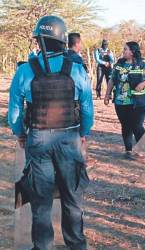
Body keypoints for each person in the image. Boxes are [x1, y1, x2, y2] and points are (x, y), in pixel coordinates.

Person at [8, 15, 93, 249]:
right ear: (62, 40)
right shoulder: (76, 69)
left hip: (38, 140)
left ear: (40, 41)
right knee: (72, 198)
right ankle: (76, 244)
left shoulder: (24, 71)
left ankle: (43, 246)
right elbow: (87, 110)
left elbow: (14, 114)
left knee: (41, 200)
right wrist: (83, 133)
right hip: (70, 140)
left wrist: (21, 134)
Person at [104, 41, 145, 159]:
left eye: (125, 49)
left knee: (137, 126)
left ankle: (143, 150)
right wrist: (107, 95)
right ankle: (128, 150)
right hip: (121, 101)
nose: (123, 51)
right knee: (125, 125)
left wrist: (143, 83)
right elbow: (112, 80)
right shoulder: (119, 64)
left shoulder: (143, 64)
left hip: (139, 101)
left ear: (132, 52)